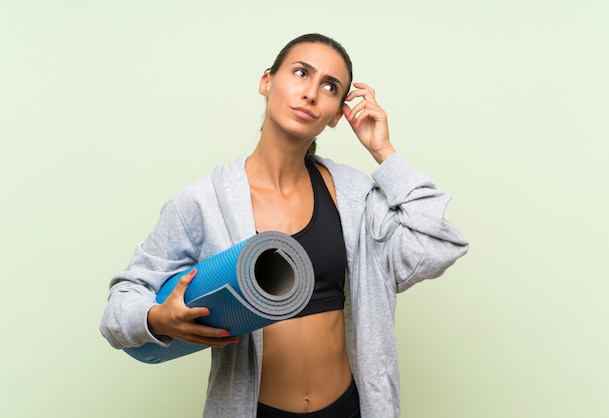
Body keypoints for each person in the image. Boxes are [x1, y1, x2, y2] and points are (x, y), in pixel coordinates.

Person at [100, 33, 469, 418]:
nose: (311, 93)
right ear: (266, 81)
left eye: (330, 87)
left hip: (349, 408)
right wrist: (158, 318)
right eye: (300, 72)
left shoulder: (356, 197)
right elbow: (120, 307)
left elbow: (439, 246)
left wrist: (383, 151)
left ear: (336, 115)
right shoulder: (201, 202)